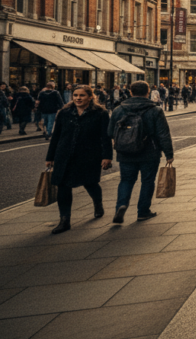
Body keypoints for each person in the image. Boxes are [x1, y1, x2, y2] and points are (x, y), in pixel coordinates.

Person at [45, 86, 112, 234]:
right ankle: (64, 220)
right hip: (64, 154)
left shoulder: (100, 113)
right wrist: (50, 157)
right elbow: (56, 136)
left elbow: (105, 137)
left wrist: (107, 156)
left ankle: (97, 203)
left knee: (90, 183)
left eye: (82, 95)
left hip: (89, 155)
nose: (78, 98)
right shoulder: (64, 113)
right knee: (63, 186)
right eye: (75, 95)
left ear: (90, 97)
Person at [108, 81, 174, 223]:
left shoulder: (119, 110)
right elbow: (163, 134)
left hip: (125, 152)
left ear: (130, 92)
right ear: (148, 91)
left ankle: (121, 205)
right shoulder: (155, 110)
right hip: (149, 151)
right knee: (147, 181)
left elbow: (110, 132)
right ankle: (143, 211)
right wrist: (169, 154)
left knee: (126, 180)